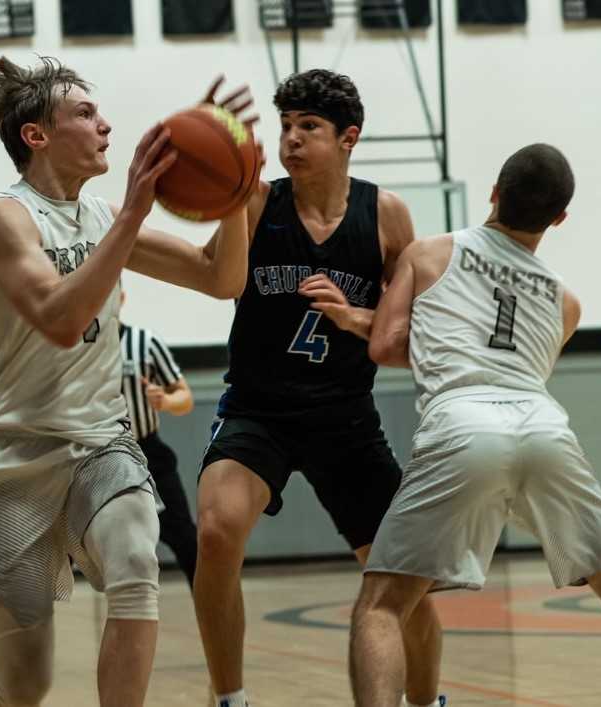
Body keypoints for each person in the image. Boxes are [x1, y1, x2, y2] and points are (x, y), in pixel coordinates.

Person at [0, 55, 258, 707]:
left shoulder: (104, 215)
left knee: (138, 559)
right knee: (24, 683)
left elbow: (222, 278)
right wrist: (135, 210)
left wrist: (237, 195)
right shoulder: (4, 218)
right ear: (36, 135)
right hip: (11, 461)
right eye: (85, 112)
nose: (106, 126)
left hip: (101, 443)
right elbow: (58, 317)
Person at [349, 144, 601, 707]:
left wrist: (352, 316)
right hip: (544, 425)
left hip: (461, 422)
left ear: (494, 192)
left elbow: (386, 346)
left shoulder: (428, 253)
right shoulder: (567, 301)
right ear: (559, 219)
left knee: (382, 605)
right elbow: (517, 363)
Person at [194, 69, 443, 707]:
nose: (292, 140)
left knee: (400, 574)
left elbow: (408, 334)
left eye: (309, 127)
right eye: (285, 127)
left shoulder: (386, 215)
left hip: (345, 416)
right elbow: (214, 271)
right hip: (258, 410)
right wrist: (213, 163)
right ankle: (231, 698)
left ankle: (427, 701)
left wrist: (354, 316)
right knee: (218, 531)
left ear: (349, 137)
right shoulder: (256, 202)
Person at [119, 289, 198, 588]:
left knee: (186, 541)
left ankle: (213, 616)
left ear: (121, 297)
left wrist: (165, 400)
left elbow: (184, 396)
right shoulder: (74, 347)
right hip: (94, 457)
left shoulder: (145, 343)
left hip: (147, 454)